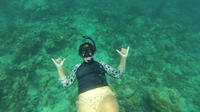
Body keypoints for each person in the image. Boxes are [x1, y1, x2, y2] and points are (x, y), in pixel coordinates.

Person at [52, 36, 129, 112]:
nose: (87, 56)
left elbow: (118, 74)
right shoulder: (77, 67)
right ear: (80, 55)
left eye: (89, 52)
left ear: (93, 52)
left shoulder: (101, 64)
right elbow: (65, 84)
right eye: (84, 53)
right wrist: (59, 68)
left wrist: (123, 58)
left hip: (105, 96)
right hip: (85, 101)